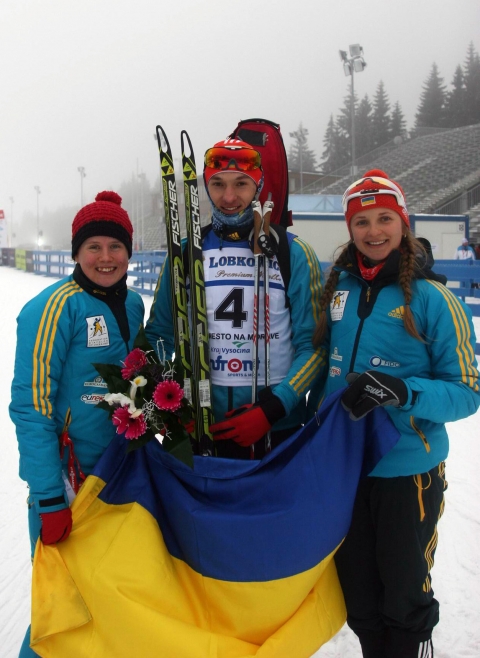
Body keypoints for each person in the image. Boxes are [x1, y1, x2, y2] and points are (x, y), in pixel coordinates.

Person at [310, 169, 480, 657]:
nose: (373, 231)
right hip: (345, 466)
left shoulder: (432, 299)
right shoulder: (337, 290)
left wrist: (402, 390)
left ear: (403, 223)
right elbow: (322, 366)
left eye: (385, 218)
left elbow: (466, 391)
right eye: (361, 221)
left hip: (407, 470)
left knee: (403, 597)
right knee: (359, 593)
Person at [9, 191, 145, 657]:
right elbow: (30, 407)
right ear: (76, 252)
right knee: (61, 614)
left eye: (116, 247)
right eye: (94, 247)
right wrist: (49, 498)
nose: (105, 258)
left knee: (109, 606)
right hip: (68, 489)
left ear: (129, 251)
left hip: (117, 482)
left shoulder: (132, 307)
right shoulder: (52, 308)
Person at [146, 138, 324, 459]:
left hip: (276, 431)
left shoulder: (293, 252)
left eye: (241, 184)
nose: (229, 197)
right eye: (218, 184)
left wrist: (274, 407)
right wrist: (169, 406)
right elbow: (159, 337)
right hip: (199, 428)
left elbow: (314, 347)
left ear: (258, 186)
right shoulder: (185, 252)